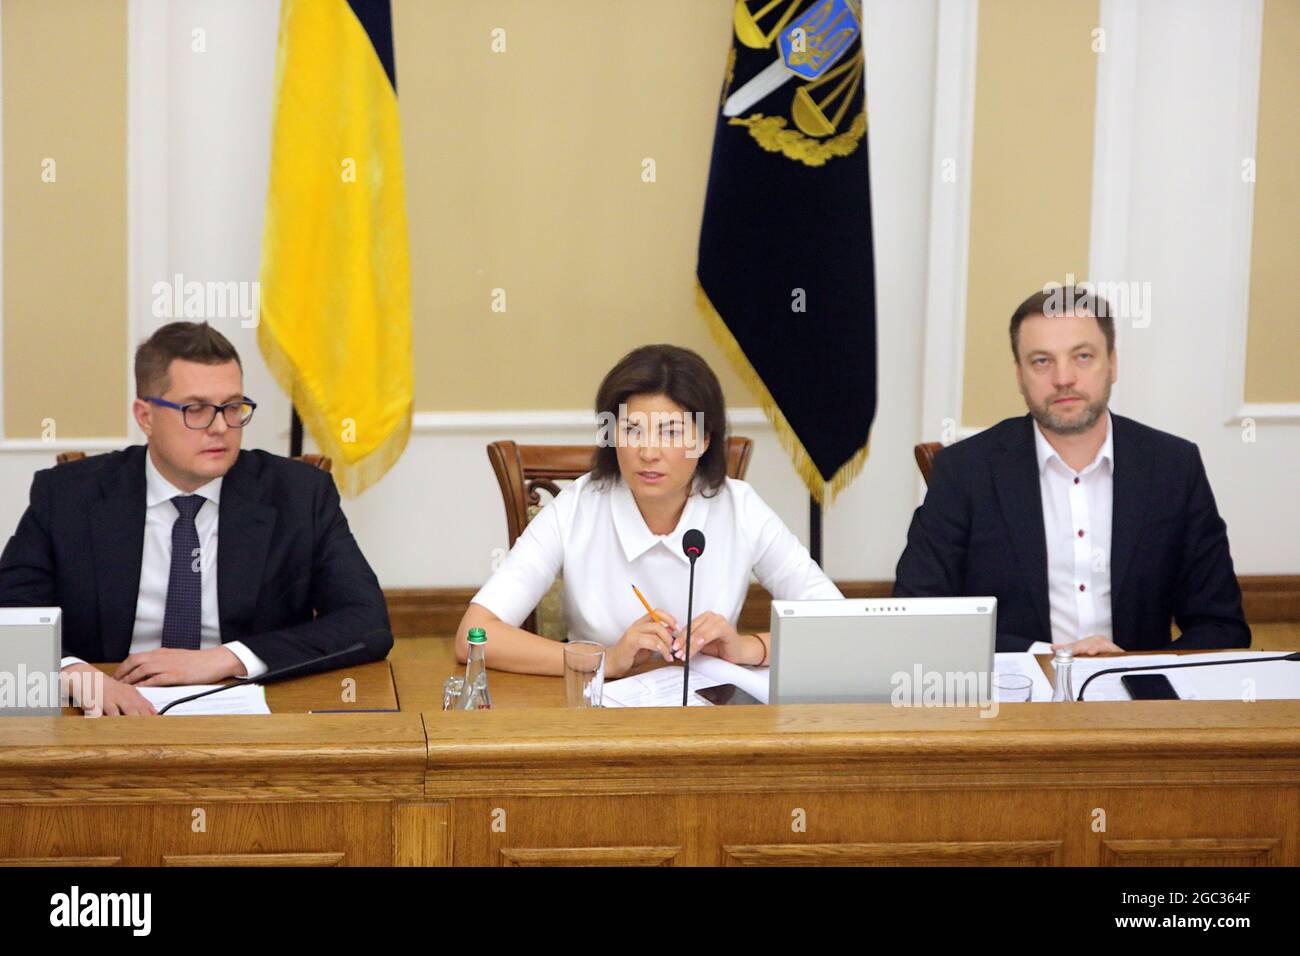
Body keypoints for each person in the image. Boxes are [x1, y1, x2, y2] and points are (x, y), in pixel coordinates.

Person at [0, 321, 392, 714]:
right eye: (197, 409)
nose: (221, 427)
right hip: (105, 715)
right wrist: (78, 676)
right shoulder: (68, 496)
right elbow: (9, 617)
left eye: (233, 407)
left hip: (252, 717)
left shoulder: (299, 495)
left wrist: (226, 658)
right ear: (146, 415)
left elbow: (367, 623)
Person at [894, 286, 1249, 655]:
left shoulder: (1173, 466)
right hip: (1016, 695)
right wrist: (1047, 655)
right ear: (1019, 375)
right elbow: (921, 614)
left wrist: (1137, 668)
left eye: (1082, 356)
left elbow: (1221, 626)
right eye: (1042, 361)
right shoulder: (965, 471)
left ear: (1112, 363)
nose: (1063, 378)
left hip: (1136, 701)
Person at [457, 343, 841, 677]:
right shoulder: (577, 506)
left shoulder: (740, 507)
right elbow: (473, 636)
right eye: (633, 430)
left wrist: (747, 648)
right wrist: (605, 659)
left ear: (705, 440)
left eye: (671, 433)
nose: (648, 452)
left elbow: (841, 625)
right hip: (603, 718)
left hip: (710, 720)